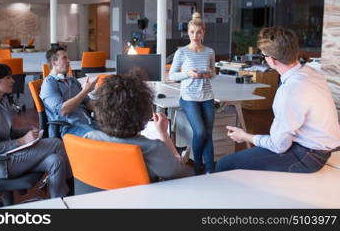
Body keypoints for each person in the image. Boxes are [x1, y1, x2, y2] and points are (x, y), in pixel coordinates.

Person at [216, 27, 340, 173]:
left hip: (308, 157)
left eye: (263, 55)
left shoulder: (290, 91)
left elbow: (279, 146)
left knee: (224, 164)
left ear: (272, 61)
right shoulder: (311, 72)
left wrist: (244, 136)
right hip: (322, 148)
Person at [0, 63, 72, 198]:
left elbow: (7, 133)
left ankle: (58, 202)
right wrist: (22, 140)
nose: (13, 81)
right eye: (8, 78)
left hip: (8, 155)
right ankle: (74, 189)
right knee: (56, 142)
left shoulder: (2, 100)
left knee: (56, 160)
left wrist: (27, 133)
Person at [86, 73, 192, 182]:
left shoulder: (89, 138)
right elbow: (178, 173)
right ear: (144, 112)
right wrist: (163, 134)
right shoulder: (153, 148)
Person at [169, 12, 216, 174]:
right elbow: (172, 75)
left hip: (207, 96)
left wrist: (210, 73)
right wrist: (188, 74)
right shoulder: (181, 52)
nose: (195, 35)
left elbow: (214, 73)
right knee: (200, 132)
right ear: (187, 33)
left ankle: (210, 170)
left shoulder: (209, 51)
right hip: (189, 97)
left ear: (203, 33)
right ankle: (197, 167)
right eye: (192, 32)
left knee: (208, 134)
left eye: (198, 32)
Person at [40, 47, 99, 138]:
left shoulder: (72, 80)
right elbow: (62, 111)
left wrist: (108, 108)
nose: (68, 61)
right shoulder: (49, 84)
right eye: (64, 58)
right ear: (54, 62)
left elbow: (88, 103)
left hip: (88, 122)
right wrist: (85, 91)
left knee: (118, 131)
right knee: (103, 138)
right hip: (69, 128)